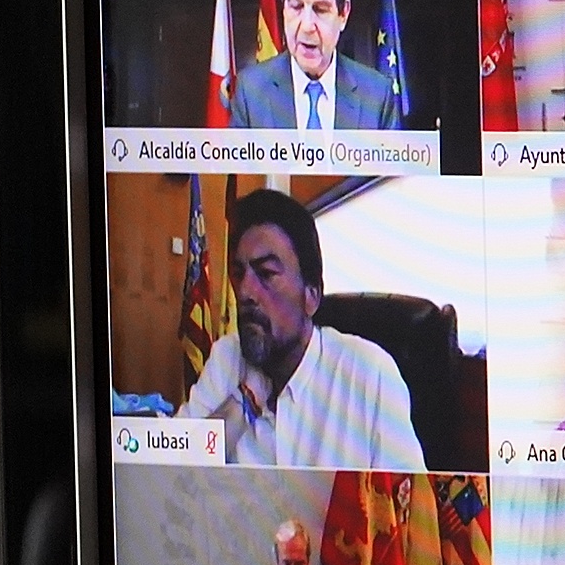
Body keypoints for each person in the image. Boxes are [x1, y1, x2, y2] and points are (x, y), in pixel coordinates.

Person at [179, 187, 425, 471]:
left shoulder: (370, 374)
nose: (244, 292)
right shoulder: (227, 356)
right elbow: (174, 472)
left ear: (311, 296)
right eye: (239, 274)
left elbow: (409, 497)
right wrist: (244, 400)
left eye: (266, 273)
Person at [229, 0, 403, 132]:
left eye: (320, 10)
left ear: (343, 14)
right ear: (283, 7)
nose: (307, 26)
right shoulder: (250, 92)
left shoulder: (377, 96)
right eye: (296, 6)